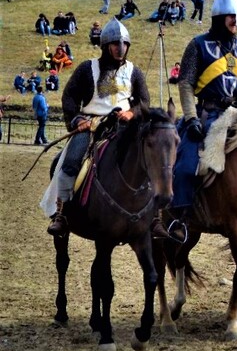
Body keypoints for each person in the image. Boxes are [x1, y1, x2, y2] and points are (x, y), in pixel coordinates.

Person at [44, 19, 161, 236]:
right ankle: (62, 213)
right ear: (106, 46)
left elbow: (144, 102)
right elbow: (69, 97)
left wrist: (132, 112)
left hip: (125, 127)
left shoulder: (134, 72)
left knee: (151, 159)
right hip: (92, 126)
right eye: (116, 44)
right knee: (70, 162)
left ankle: (155, 217)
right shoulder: (87, 68)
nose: (120, 48)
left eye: (124, 44)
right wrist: (78, 120)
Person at [171, 0, 237, 229]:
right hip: (208, 115)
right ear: (218, 18)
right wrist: (192, 118)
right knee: (186, 165)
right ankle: (181, 219)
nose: (236, 21)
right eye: (230, 16)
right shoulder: (198, 45)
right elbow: (185, 84)